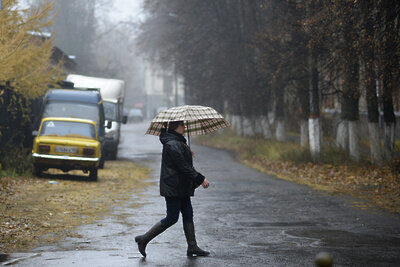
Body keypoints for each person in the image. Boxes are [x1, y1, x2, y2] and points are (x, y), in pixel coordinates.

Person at [135, 120, 210, 258]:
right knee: (172, 218)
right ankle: (143, 239)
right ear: (176, 127)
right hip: (173, 187)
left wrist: (188, 153)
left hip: (181, 186)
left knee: (188, 214)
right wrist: (200, 178)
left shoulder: (178, 142)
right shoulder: (172, 144)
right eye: (182, 125)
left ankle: (192, 246)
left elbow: (183, 164)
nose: (185, 127)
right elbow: (183, 166)